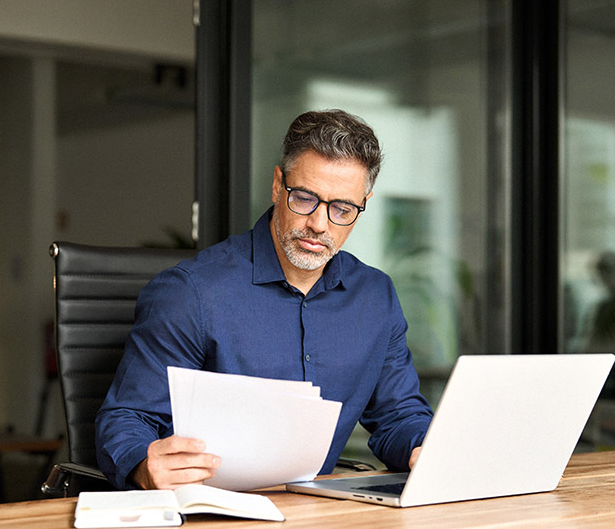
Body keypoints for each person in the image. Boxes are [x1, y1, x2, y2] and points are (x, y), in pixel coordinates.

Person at [96, 109, 434, 490]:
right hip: (211, 509)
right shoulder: (191, 293)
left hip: (316, 511)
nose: (319, 224)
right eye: (305, 198)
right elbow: (126, 418)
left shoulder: (375, 297)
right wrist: (143, 464)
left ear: (363, 204)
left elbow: (398, 415)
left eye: (342, 209)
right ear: (278, 185)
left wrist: (424, 448)